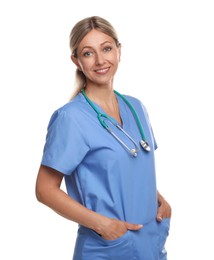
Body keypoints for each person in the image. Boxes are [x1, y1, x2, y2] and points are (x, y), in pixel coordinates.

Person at [35, 16, 171, 260]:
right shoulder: (71, 118)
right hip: (107, 249)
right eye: (88, 53)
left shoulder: (136, 108)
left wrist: (159, 199)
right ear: (76, 60)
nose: (100, 60)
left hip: (150, 244)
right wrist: (103, 225)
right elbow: (45, 190)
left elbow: (133, 168)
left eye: (107, 48)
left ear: (119, 51)